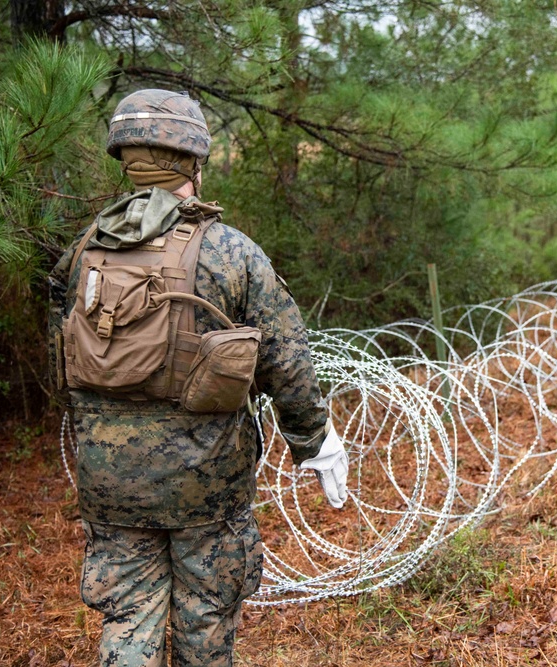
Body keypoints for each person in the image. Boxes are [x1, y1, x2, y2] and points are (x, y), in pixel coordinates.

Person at [48, 89, 349, 667]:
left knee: (127, 619)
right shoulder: (228, 251)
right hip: (205, 482)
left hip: (110, 482)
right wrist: (313, 440)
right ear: (194, 161)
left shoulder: (88, 247)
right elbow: (286, 359)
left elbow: (66, 338)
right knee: (207, 619)